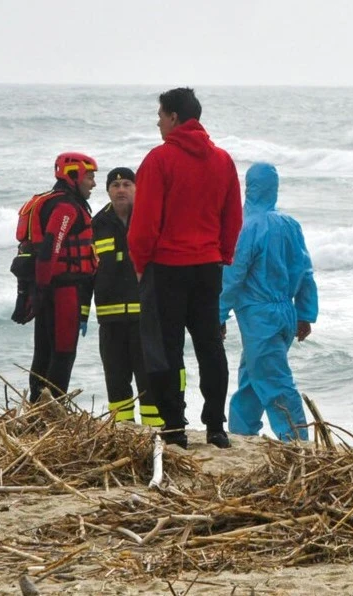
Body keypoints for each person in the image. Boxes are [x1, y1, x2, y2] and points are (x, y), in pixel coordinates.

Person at [129, 87, 242, 449]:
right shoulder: (222, 160)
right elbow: (233, 218)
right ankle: (215, 427)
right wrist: (222, 254)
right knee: (210, 346)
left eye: (160, 115)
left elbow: (145, 222)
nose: (158, 122)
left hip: (166, 267)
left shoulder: (159, 160)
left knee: (166, 349)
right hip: (208, 265)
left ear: (174, 118)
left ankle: (174, 426)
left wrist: (139, 262)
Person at [219, 163, 318, 442]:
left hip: (259, 315)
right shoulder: (290, 224)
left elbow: (234, 274)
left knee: (274, 381)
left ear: (248, 187)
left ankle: (296, 440)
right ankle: (241, 433)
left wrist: (218, 313)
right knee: (252, 377)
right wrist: (305, 313)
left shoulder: (246, 226)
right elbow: (306, 271)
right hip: (285, 311)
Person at [18, 153, 98, 402]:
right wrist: (42, 289)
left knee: (43, 352)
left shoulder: (51, 201)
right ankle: (52, 410)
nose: (93, 183)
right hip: (62, 290)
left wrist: (38, 292)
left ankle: (36, 407)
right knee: (63, 353)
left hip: (46, 289)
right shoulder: (65, 207)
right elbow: (51, 247)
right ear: (73, 175)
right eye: (90, 177)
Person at [91, 167, 162, 426]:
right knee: (116, 379)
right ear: (108, 190)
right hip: (110, 321)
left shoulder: (149, 219)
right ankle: (122, 431)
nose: (121, 189)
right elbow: (88, 272)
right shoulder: (96, 225)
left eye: (127, 184)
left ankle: (155, 432)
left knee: (149, 379)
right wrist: (81, 312)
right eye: (115, 184)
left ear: (137, 188)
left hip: (146, 318)